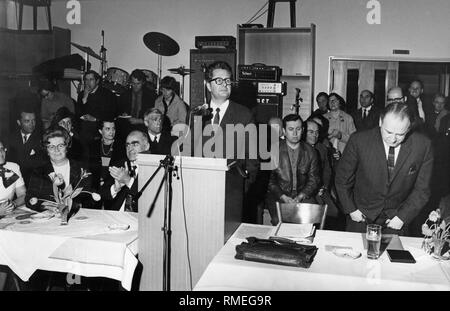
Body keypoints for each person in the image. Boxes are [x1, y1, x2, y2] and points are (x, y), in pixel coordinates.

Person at [335, 102, 433, 235]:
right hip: (360, 216)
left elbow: (422, 190)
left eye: (400, 134)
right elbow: (342, 180)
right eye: (388, 132)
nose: (393, 139)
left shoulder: (423, 146)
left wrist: (402, 217)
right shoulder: (359, 141)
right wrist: (351, 209)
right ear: (380, 122)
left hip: (397, 219)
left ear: (409, 128)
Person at [266, 114, 320, 225]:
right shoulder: (272, 150)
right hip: (279, 195)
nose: (295, 133)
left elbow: (314, 179)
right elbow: (269, 181)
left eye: (298, 129)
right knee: (280, 222)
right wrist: (283, 197)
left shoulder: (311, 152)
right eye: (291, 129)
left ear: (303, 130)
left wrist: (300, 196)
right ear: (284, 131)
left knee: (311, 222)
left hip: (303, 195)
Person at [25, 127, 94, 211]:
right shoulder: (39, 171)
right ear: (46, 150)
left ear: (67, 147)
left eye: (60, 146)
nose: (56, 150)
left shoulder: (81, 169)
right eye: (51, 147)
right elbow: (29, 199)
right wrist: (46, 206)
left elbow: (89, 199)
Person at [100, 130, 150, 211]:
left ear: (146, 146)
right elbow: (102, 194)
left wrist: (128, 181)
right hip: (117, 216)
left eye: (135, 144)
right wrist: (115, 188)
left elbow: (150, 198)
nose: (130, 148)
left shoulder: (154, 167)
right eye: (128, 145)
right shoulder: (119, 165)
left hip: (141, 218)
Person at [75, 70, 117, 147]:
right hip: (85, 124)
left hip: (100, 123)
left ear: (97, 81)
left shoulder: (107, 94)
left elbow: (110, 114)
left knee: (86, 129)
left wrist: (95, 119)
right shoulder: (82, 94)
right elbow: (78, 112)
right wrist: (85, 99)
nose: (88, 82)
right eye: (86, 80)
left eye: (91, 79)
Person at [7, 107, 45, 186]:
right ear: (19, 122)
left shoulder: (42, 138)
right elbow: (8, 162)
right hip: (13, 181)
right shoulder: (11, 138)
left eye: (33, 120)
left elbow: (41, 165)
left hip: (33, 183)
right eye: (27, 121)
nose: (32, 124)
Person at [116, 69, 157, 141]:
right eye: (133, 83)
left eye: (138, 84)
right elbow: (118, 110)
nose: (135, 86)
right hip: (127, 125)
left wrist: (139, 121)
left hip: (143, 125)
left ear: (143, 83)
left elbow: (154, 115)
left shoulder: (151, 96)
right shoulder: (125, 95)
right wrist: (123, 114)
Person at [88, 120, 125, 190]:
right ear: (100, 131)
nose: (111, 132)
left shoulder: (121, 147)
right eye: (108, 129)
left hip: (114, 186)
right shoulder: (93, 145)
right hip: (95, 186)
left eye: (113, 128)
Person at [0, 140, 26, 215]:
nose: (1, 153)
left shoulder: (13, 167)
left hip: (8, 214)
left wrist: (13, 204)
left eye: (2, 149)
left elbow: (23, 195)